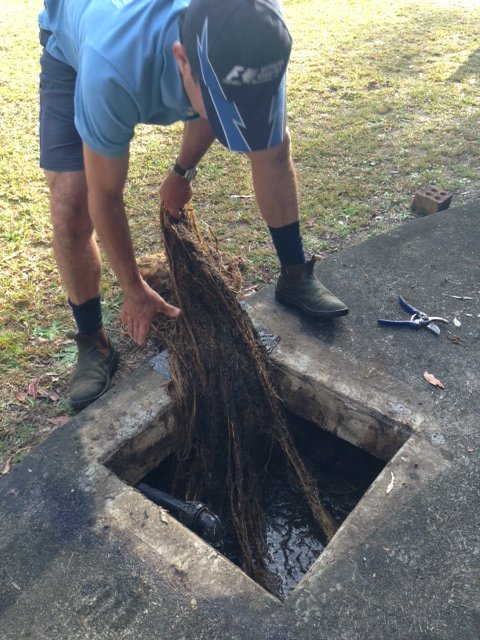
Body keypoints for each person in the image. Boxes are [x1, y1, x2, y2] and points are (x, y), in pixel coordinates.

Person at [38, 0, 348, 411]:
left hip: (184, 60)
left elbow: (230, 107)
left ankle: (294, 274)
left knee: (273, 147)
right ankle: (93, 341)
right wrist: (132, 286)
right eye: (222, 103)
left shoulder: (254, 27)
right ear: (181, 60)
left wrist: (183, 172)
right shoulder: (111, 66)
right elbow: (106, 195)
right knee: (70, 209)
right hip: (76, 45)